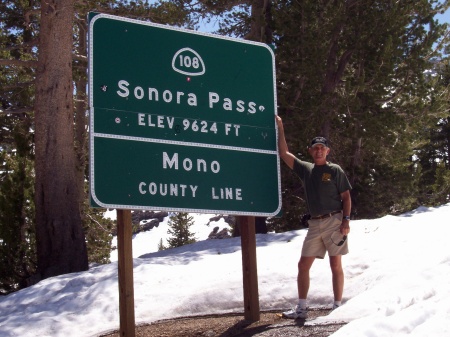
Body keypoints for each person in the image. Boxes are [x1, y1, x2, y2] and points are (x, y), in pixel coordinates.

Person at [275, 115, 352, 319]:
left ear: (327, 151)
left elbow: (346, 197)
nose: (319, 150)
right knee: (303, 265)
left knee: (335, 265)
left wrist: (346, 220)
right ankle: (301, 308)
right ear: (311, 151)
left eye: (322, 148)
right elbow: (283, 153)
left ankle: (337, 306)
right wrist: (280, 127)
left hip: (334, 221)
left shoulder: (335, 170)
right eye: (315, 148)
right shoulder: (306, 169)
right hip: (314, 224)